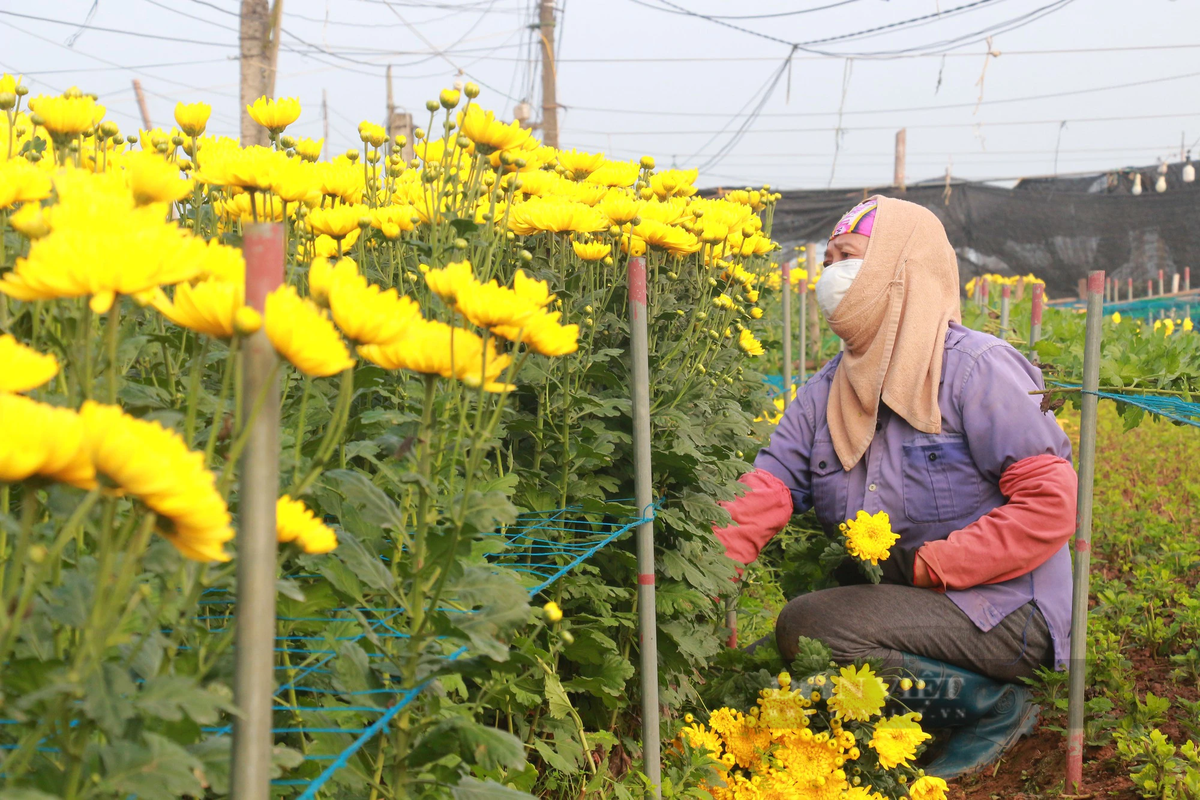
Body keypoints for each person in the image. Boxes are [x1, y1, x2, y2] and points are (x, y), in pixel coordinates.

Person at [713, 196, 1077, 779]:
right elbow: (769, 486)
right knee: (750, 678)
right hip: (904, 611)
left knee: (812, 629)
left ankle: (991, 706)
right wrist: (705, 571)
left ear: (898, 269)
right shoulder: (826, 392)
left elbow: (1050, 505)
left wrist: (937, 563)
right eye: (827, 260)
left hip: (1005, 610)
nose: (831, 275)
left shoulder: (976, 369)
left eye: (849, 258)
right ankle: (906, 719)